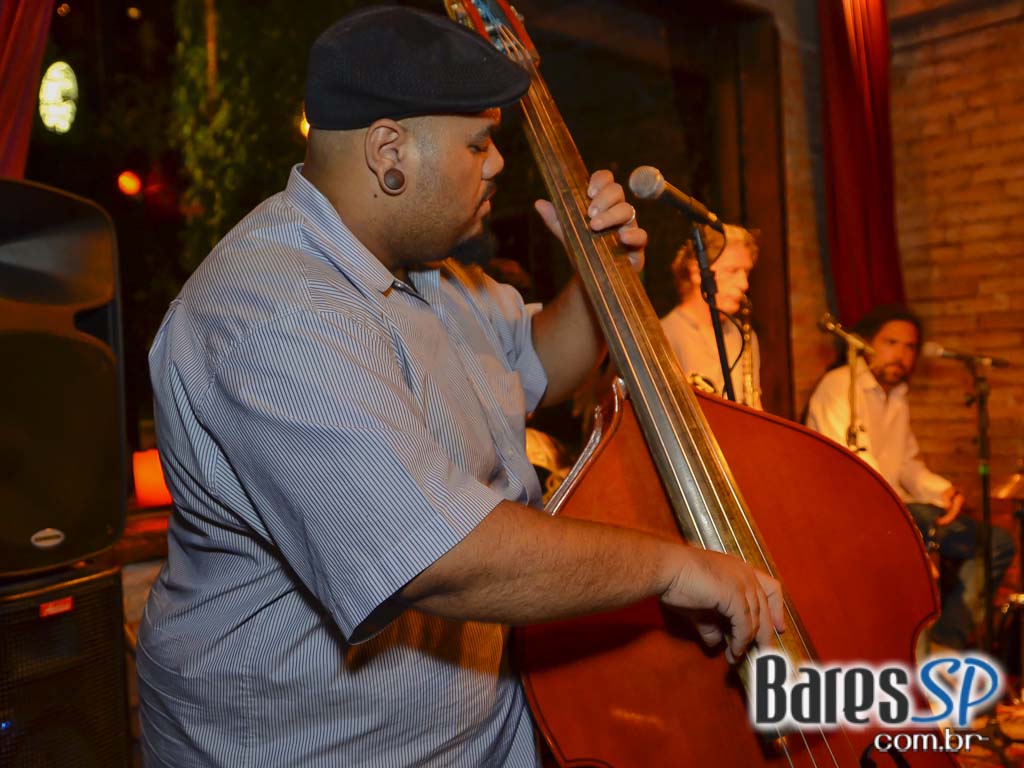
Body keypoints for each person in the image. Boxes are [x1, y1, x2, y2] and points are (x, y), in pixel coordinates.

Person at [137, 7, 784, 767]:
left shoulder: (429, 270)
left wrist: (601, 279)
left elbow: (538, 364)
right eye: (478, 143)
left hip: (481, 727)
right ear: (389, 151)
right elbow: (440, 558)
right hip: (319, 750)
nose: (498, 164)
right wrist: (672, 566)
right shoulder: (271, 311)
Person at [805, 303, 1014, 651]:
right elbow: (855, 465)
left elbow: (907, 465)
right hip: (855, 515)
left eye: (910, 347)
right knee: (920, 534)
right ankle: (914, 649)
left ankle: (945, 645)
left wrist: (943, 491)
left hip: (900, 510)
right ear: (865, 343)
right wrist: (905, 512)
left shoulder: (897, 397)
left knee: (997, 543)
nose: (901, 355)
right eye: (891, 343)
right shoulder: (840, 385)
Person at [660, 223, 762, 407]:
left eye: (746, 272)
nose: (744, 284)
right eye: (732, 271)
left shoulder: (744, 336)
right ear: (697, 272)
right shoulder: (664, 336)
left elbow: (755, 406)